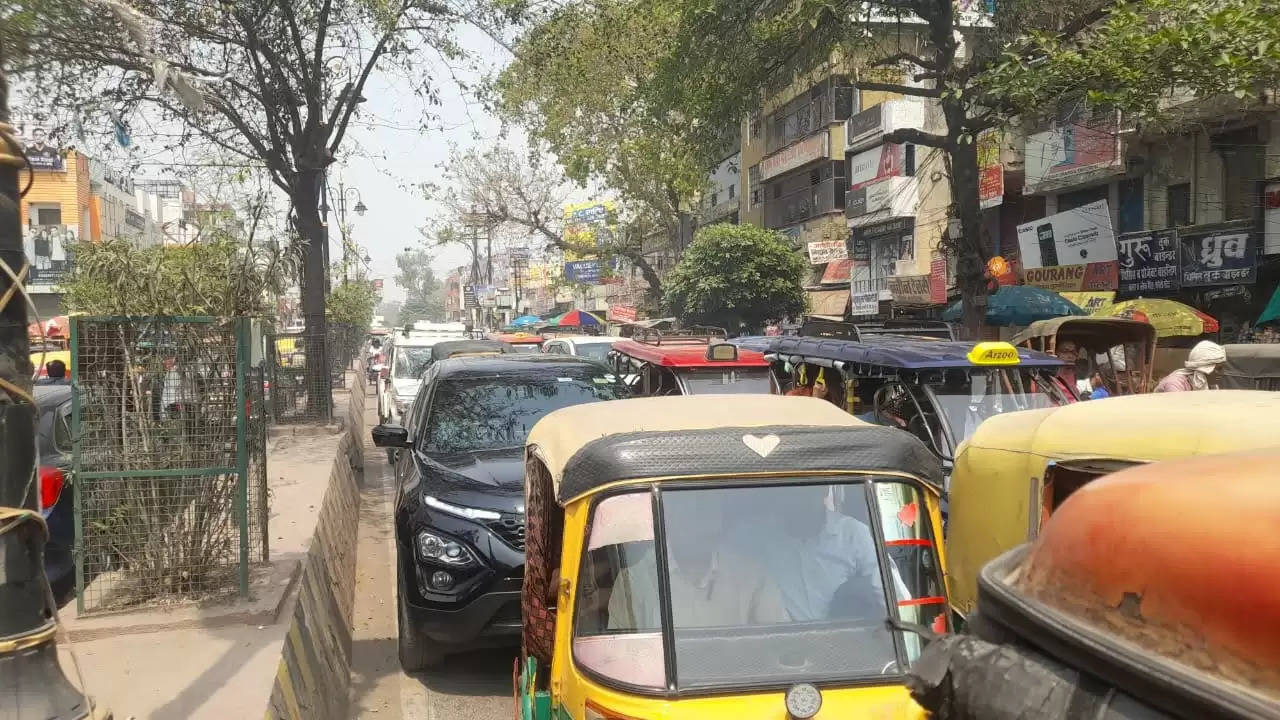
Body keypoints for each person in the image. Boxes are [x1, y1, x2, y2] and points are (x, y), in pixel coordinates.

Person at [608, 492, 788, 629]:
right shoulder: (632, 583)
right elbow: (624, 661)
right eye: (691, 510)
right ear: (668, 516)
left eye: (709, 510)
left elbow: (779, 646)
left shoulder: (753, 576)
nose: (703, 525)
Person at [1154, 340, 1226, 392]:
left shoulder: (1210, 385)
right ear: (1204, 368)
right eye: (1219, 368)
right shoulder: (1175, 383)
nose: (1222, 372)